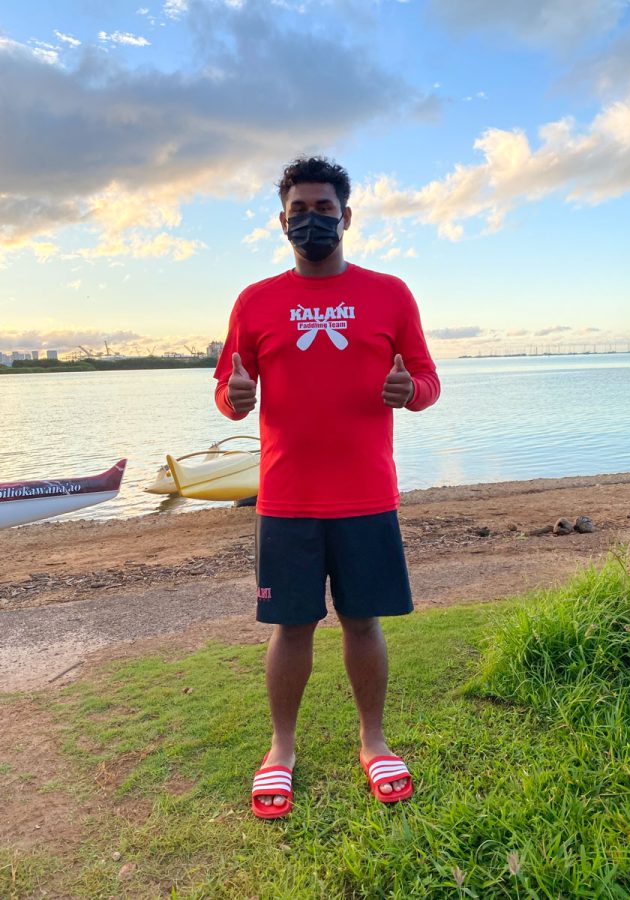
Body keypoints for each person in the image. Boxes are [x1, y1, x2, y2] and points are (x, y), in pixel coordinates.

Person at [213, 156, 440, 818]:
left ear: (346, 215)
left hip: (366, 494)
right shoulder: (255, 301)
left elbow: (425, 379)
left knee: (362, 621)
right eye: (298, 209)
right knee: (291, 626)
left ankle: (373, 742)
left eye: (322, 208)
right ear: (281, 219)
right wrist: (235, 396)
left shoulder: (390, 293)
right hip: (286, 498)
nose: (310, 219)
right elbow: (229, 394)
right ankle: (279, 750)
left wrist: (411, 392)